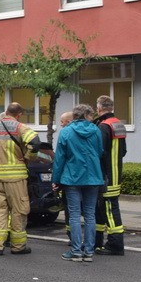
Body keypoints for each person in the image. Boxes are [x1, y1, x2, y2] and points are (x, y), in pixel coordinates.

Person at [0, 102, 42, 256]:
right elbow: (35, 143)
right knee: (19, 211)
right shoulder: (19, 127)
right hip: (16, 178)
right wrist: (27, 157)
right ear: (19, 114)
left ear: (6, 112)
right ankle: (18, 247)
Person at [52, 104, 104, 262]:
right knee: (90, 214)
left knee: (74, 215)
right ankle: (89, 251)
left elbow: (59, 158)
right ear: (87, 115)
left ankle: (75, 251)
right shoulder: (95, 130)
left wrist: (56, 179)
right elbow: (100, 151)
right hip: (93, 176)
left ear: (74, 116)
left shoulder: (66, 131)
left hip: (72, 177)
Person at [94, 95, 127, 255]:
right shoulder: (118, 124)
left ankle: (115, 244)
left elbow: (98, 152)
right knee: (104, 208)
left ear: (99, 108)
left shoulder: (103, 126)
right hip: (116, 173)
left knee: (109, 209)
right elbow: (124, 151)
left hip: (105, 175)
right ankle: (97, 241)